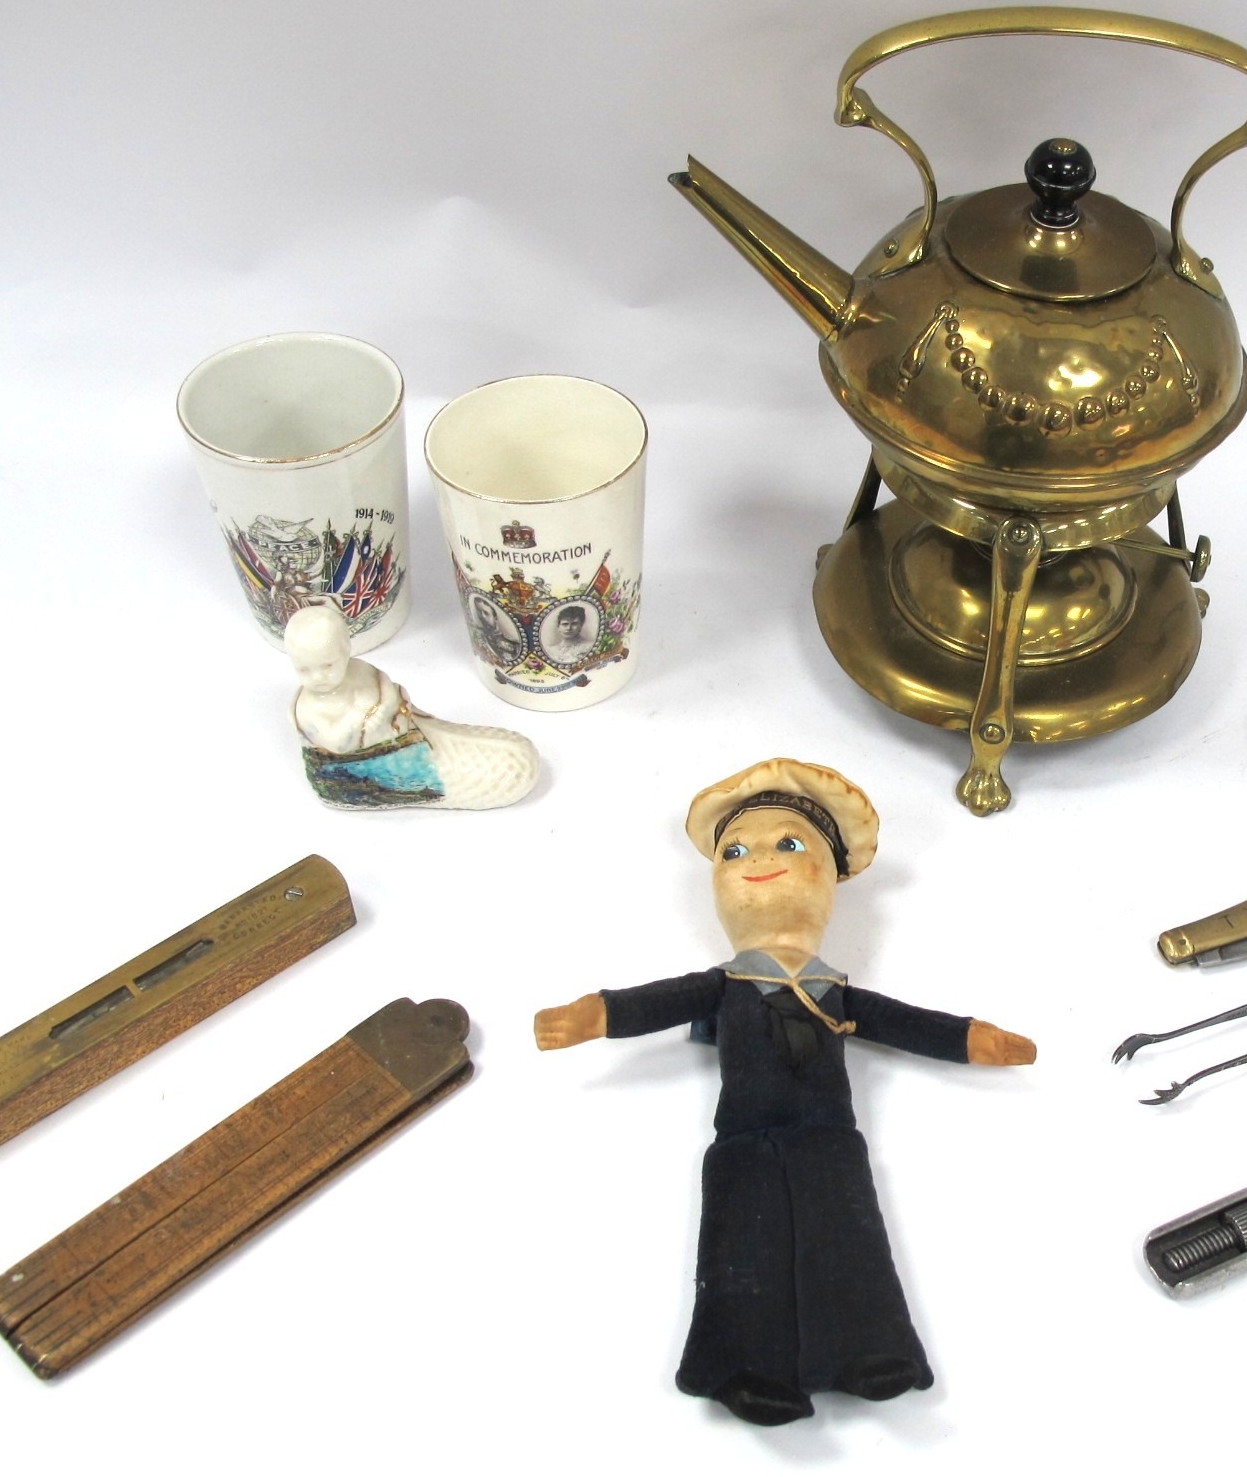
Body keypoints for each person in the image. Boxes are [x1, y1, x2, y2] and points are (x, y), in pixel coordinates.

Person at [534, 759, 1034, 1426]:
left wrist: (971, 1038)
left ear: (828, 875)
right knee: (741, 1253)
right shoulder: (726, 984)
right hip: (743, 1140)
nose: (759, 860)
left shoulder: (835, 991)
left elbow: (903, 1021)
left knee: (849, 1239)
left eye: (788, 843)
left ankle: (868, 1349)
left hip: (830, 1138)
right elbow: (657, 1001)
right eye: (734, 851)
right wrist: (595, 1014)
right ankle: (741, 1369)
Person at [285, 600, 539, 810]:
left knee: (462, 741)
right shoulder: (308, 709)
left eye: (328, 665)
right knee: (481, 768)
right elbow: (339, 744)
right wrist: (368, 718)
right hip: (371, 764)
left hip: (406, 727)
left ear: (346, 649)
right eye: (304, 670)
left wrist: (387, 706)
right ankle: (447, 780)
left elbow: (386, 685)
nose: (318, 677)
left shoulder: (358, 669)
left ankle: (468, 752)